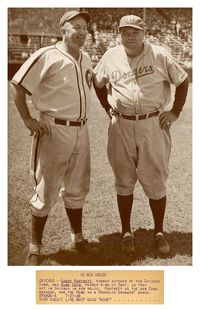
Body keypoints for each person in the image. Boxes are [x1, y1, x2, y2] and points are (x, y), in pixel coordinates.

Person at [93, 15, 189, 255]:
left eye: (135, 31)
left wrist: (175, 111)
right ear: (119, 33)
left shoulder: (159, 54)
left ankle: (159, 231)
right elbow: (97, 83)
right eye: (125, 31)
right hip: (121, 126)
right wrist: (107, 108)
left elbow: (183, 80)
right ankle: (127, 232)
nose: (130, 36)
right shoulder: (110, 56)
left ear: (143, 32)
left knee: (155, 180)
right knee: (123, 180)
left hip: (152, 124)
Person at [11, 10, 95, 265]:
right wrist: (28, 119)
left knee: (77, 187)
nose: (82, 32)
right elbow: (19, 86)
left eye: (84, 28)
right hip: (53, 128)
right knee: (45, 190)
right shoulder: (47, 55)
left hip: (82, 129)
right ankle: (35, 248)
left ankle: (77, 240)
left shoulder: (87, 58)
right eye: (76, 27)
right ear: (63, 30)